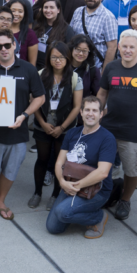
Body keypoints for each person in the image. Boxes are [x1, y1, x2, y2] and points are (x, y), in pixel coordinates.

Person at [0, 29, 46, 222]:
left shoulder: (28, 69)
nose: (4, 49)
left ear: (15, 45)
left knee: (11, 171)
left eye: (7, 45)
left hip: (18, 133)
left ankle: (1, 201)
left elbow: (40, 97)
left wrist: (24, 115)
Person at [97, 29, 137, 221]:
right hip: (108, 128)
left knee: (133, 170)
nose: (127, 50)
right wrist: (98, 114)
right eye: (124, 46)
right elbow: (102, 93)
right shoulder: (111, 68)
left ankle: (125, 199)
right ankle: (104, 195)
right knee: (102, 167)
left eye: (131, 47)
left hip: (135, 130)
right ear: (118, 47)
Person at [45, 97, 116, 238]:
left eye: (95, 110)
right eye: (87, 110)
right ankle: (75, 211)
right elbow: (59, 163)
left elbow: (102, 173)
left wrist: (76, 186)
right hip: (71, 184)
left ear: (101, 114)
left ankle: (98, 217)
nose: (91, 114)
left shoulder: (107, 138)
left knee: (62, 213)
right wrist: (62, 182)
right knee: (53, 228)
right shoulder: (72, 133)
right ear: (81, 113)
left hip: (96, 190)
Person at [31, 42, 83, 210]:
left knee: (61, 163)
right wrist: (42, 123)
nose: (58, 60)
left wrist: (62, 127)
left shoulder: (75, 79)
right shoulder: (40, 75)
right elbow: (34, 103)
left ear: (68, 59)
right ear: (48, 58)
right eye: (54, 57)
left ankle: (55, 195)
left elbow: (77, 107)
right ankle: (37, 193)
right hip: (43, 125)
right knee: (42, 159)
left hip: (65, 128)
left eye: (61, 57)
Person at [68, 0, 118, 69]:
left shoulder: (108, 17)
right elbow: (71, 37)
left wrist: (104, 72)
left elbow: (112, 47)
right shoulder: (78, 12)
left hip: (95, 68)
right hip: (75, 65)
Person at [32, 0, 76, 69]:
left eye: (52, 7)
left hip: (54, 68)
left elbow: (69, 53)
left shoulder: (67, 29)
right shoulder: (36, 24)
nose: (48, 10)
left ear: (58, 10)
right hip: (35, 66)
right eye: (45, 7)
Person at [70, 35, 102, 103]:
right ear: (72, 48)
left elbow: (97, 95)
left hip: (82, 109)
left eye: (85, 51)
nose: (81, 53)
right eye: (78, 49)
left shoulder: (93, 70)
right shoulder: (63, 66)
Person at [6, 0, 38, 64]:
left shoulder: (30, 34)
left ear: (24, 14)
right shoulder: (1, 31)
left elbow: (32, 65)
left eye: (20, 11)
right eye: (13, 11)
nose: (16, 14)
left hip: (22, 72)